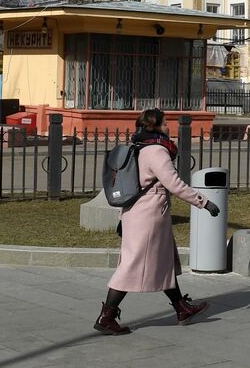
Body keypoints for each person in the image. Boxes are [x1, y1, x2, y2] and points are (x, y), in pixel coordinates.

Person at [94, 108, 220, 335]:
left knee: (164, 262)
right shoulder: (157, 151)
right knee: (130, 266)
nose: (168, 126)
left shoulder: (138, 147)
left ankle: (181, 308)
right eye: (165, 123)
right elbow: (175, 184)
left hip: (136, 212)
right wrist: (204, 202)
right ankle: (107, 315)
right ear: (156, 125)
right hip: (149, 215)